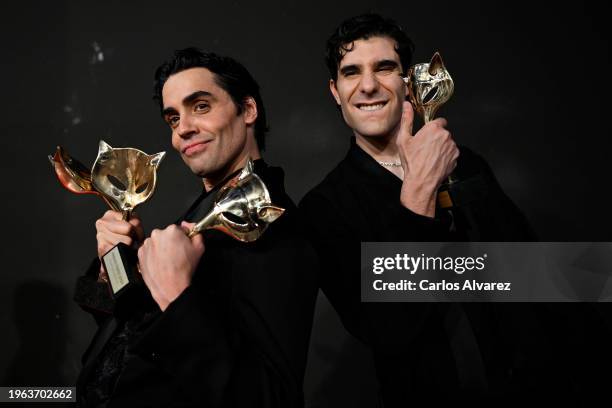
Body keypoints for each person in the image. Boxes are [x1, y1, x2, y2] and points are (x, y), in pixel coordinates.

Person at [299, 13, 606, 405]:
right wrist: (419, 191)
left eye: (385, 67)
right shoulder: (323, 210)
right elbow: (387, 328)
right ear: (335, 90)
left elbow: (540, 278)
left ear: (409, 81)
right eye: (351, 72)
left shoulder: (465, 163)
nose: (369, 85)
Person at [74, 48, 318, 407]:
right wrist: (113, 260)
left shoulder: (275, 227)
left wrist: (177, 298)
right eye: (173, 118)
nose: (183, 129)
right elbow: (131, 328)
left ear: (248, 110)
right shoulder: (201, 212)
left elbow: (272, 398)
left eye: (201, 106)